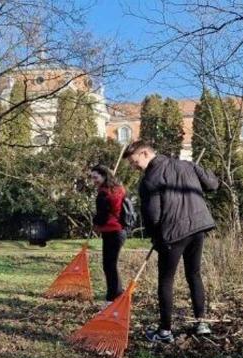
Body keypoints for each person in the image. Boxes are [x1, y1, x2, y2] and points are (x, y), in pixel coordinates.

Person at [123, 140, 218, 343]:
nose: (134, 167)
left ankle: (165, 331)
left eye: (134, 162)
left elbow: (153, 215)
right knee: (194, 274)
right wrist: (196, 172)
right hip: (198, 226)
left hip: (173, 232)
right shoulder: (187, 165)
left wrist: (156, 238)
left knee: (166, 280)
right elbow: (213, 184)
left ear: (146, 153)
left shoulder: (150, 179)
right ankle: (201, 322)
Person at [89, 164, 127, 308]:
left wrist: (95, 224)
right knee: (111, 265)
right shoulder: (119, 188)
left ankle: (113, 299)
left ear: (104, 175)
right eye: (92, 178)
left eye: (95, 177)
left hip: (112, 231)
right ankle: (116, 295)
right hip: (120, 231)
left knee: (109, 266)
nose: (94, 180)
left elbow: (102, 216)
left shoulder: (104, 193)